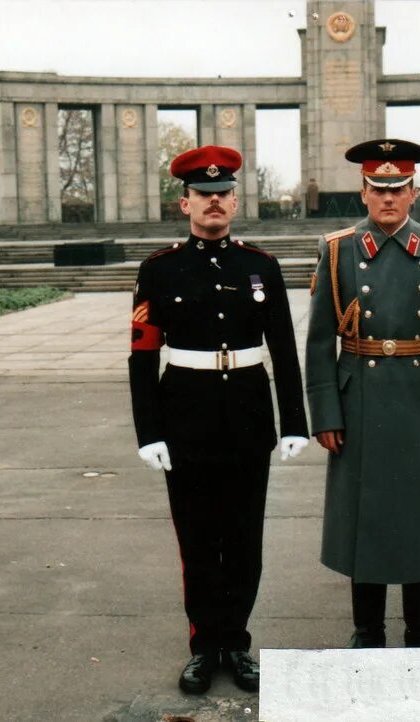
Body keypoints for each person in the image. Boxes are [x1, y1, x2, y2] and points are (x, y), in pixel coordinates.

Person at [128, 145, 309, 695]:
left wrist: (295, 422)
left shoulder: (261, 266)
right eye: (204, 195)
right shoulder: (159, 269)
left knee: (245, 536)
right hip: (186, 415)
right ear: (184, 203)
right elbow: (141, 355)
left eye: (223, 194)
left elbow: (283, 348)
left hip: (249, 414)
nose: (214, 203)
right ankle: (204, 646)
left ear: (235, 202)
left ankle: (237, 641)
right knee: (199, 539)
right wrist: (149, 432)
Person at [305, 138, 420, 650]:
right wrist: (325, 413)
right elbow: (318, 340)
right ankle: (368, 629)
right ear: (362, 192)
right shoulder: (337, 250)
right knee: (366, 517)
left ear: (413, 192)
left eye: (397, 189)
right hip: (359, 400)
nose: (388, 199)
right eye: (378, 189)